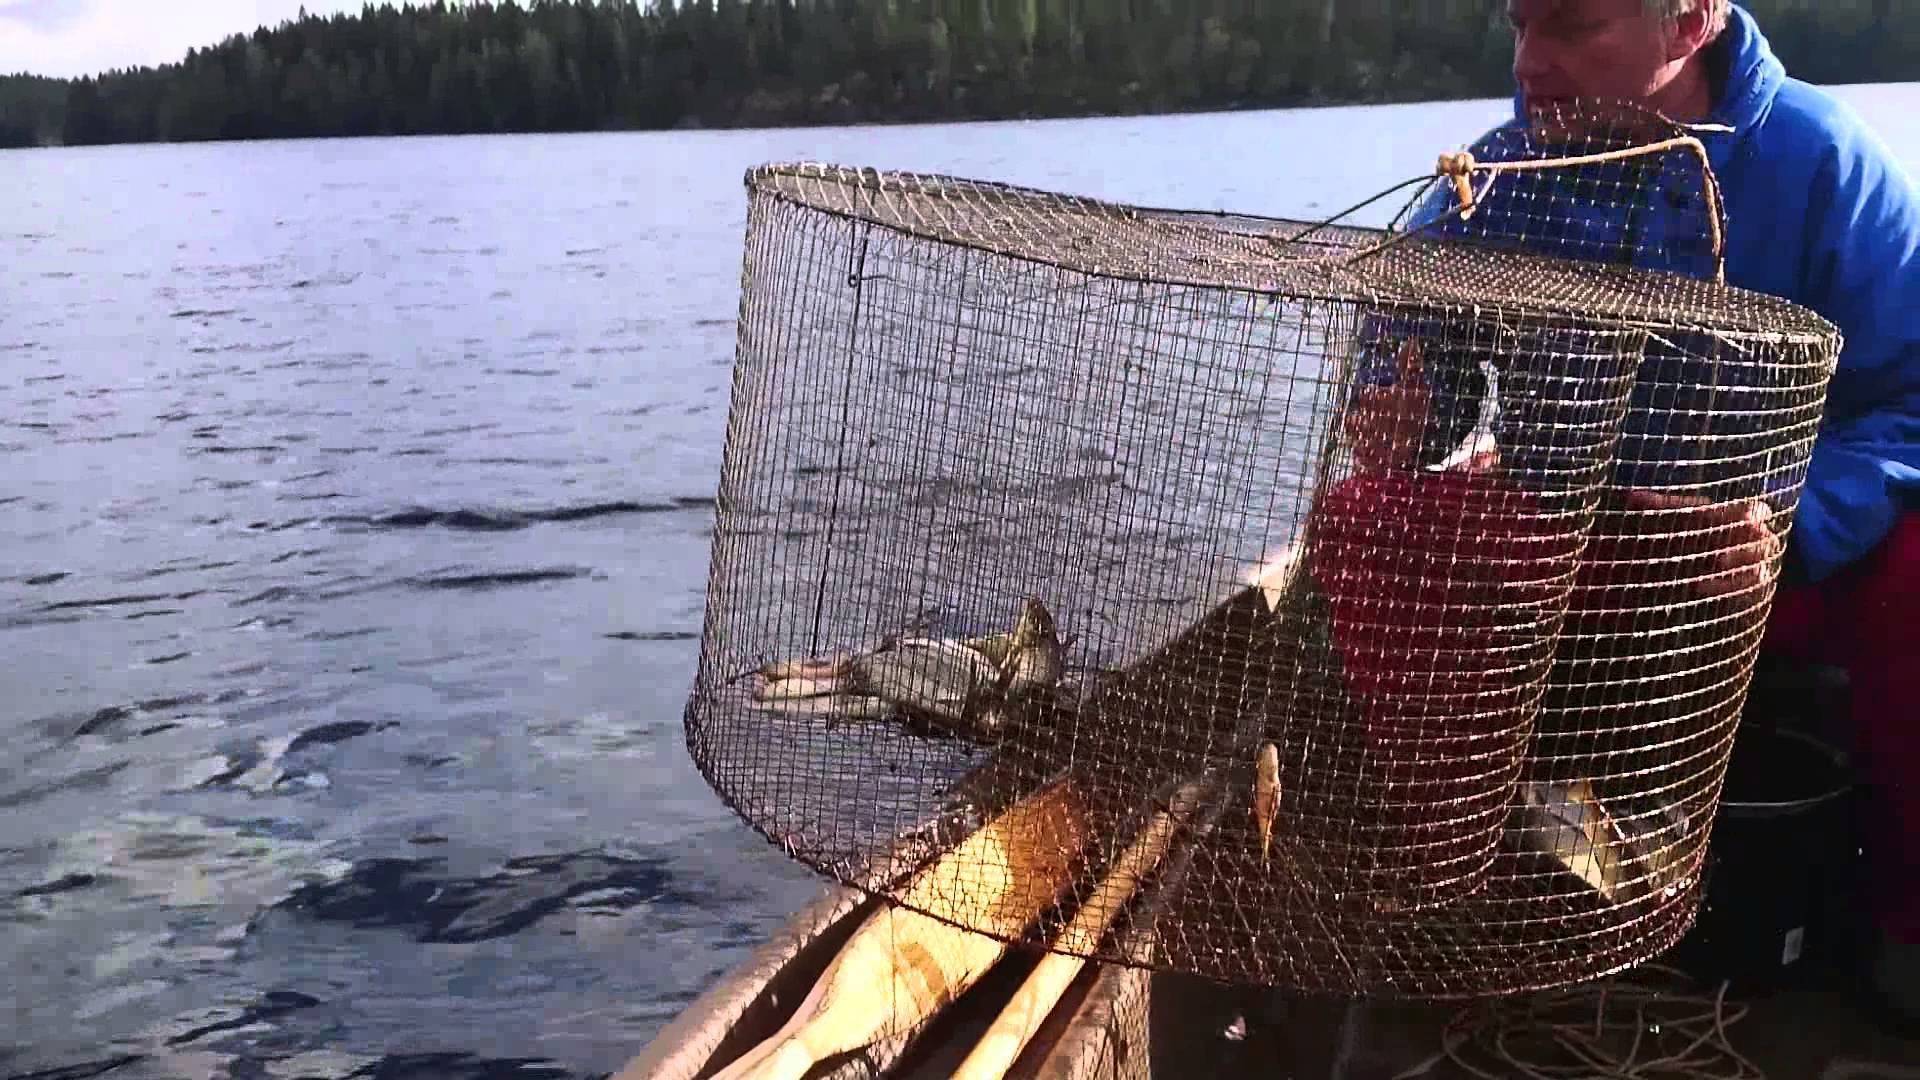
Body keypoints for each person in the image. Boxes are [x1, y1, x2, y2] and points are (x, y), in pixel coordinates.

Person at [1347, 0, 1920, 1026]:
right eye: (1520, 27)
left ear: (1690, 21)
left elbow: (1910, 405)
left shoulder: (1822, 161)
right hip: (1569, 564)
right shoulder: (1500, 177)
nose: (1530, 65)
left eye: (1571, 29)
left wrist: (1791, 518)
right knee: (1366, 523)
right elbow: (1402, 344)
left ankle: (1902, 934)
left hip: (1759, 576)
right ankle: (1474, 885)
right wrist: (1400, 410)